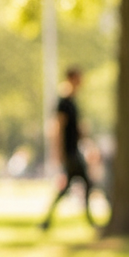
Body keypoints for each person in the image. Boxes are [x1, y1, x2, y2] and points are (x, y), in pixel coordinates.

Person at [41, 67, 94, 230]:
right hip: (69, 151)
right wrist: (58, 152)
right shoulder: (63, 102)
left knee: (74, 185)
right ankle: (88, 220)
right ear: (71, 78)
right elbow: (57, 128)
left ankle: (47, 221)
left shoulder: (72, 100)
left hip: (74, 149)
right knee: (83, 183)